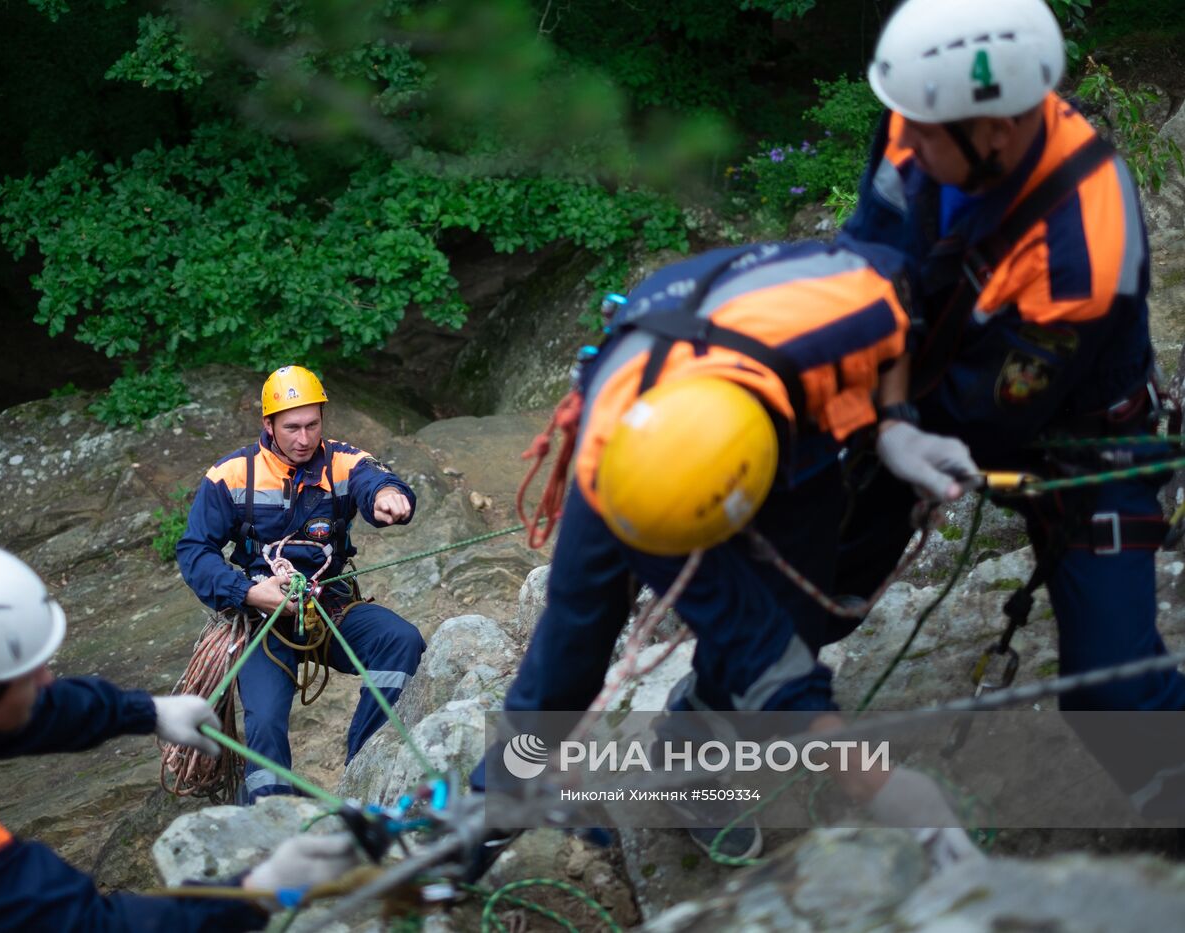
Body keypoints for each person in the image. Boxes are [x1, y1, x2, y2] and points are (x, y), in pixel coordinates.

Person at [469, 239, 980, 861]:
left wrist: (896, 420)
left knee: (791, 617)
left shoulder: (856, 311)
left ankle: (688, 762)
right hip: (649, 432)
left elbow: (899, 313)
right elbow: (753, 641)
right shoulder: (625, 472)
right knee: (575, 630)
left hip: (782, 412)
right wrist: (875, 782)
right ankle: (493, 801)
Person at [836, 0, 1185, 811]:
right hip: (917, 389)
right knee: (811, 584)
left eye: (925, 131)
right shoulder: (919, 123)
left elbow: (996, 411)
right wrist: (871, 410)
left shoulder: (1086, 241)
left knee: (1112, 690)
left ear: (995, 128)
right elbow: (871, 258)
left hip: (1083, 440)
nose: (904, 140)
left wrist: (894, 426)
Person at [0, 542, 361, 931]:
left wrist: (145, 711)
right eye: (28, 670)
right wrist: (264, 890)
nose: (46, 678)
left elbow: (25, 710)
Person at [177, 365, 426, 804]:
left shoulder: (341, 462)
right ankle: (268, 820)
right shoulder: (232, 476)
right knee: (266, 723)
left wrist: (389, 494)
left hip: (331, 607)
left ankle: (363, 772)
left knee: (400, 641)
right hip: (262, 620)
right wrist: (249, 592)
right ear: (268, 424)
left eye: (313, 425)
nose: (304, 438)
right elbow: (195, 552)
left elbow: (374, 478)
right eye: (291, 427)